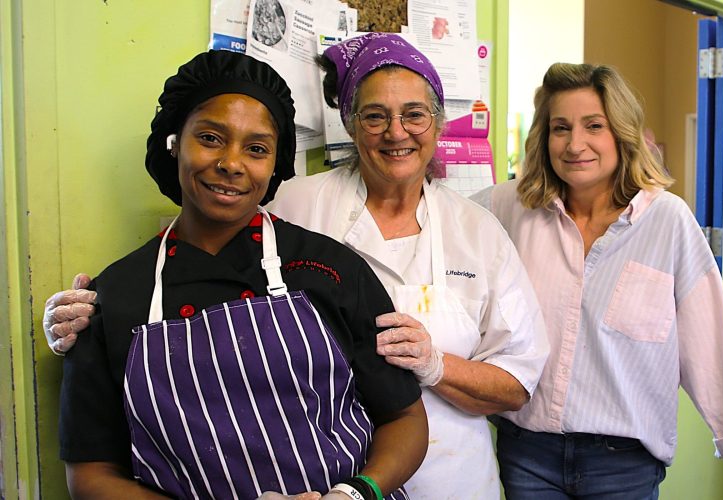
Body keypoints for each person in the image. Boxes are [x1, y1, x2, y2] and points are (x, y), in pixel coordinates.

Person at [45, 33, 550, 500]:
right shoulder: (292, 206)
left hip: (445, 473)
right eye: (375, 116)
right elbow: (92, 469)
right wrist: (87, 320)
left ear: (438, 124)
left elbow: (508, 381)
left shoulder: (464, 233)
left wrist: (435, 370)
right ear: (351, 125)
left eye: (414, 115)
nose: (233, 163)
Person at [472, 62, 723, 499]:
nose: (575, 144)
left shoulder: (667, 222)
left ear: (621, 133)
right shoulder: (508, 207)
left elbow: (712, 349)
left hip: (622, 468)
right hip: (528, 457)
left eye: (594, 126)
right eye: (560, 128)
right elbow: (433, 221)